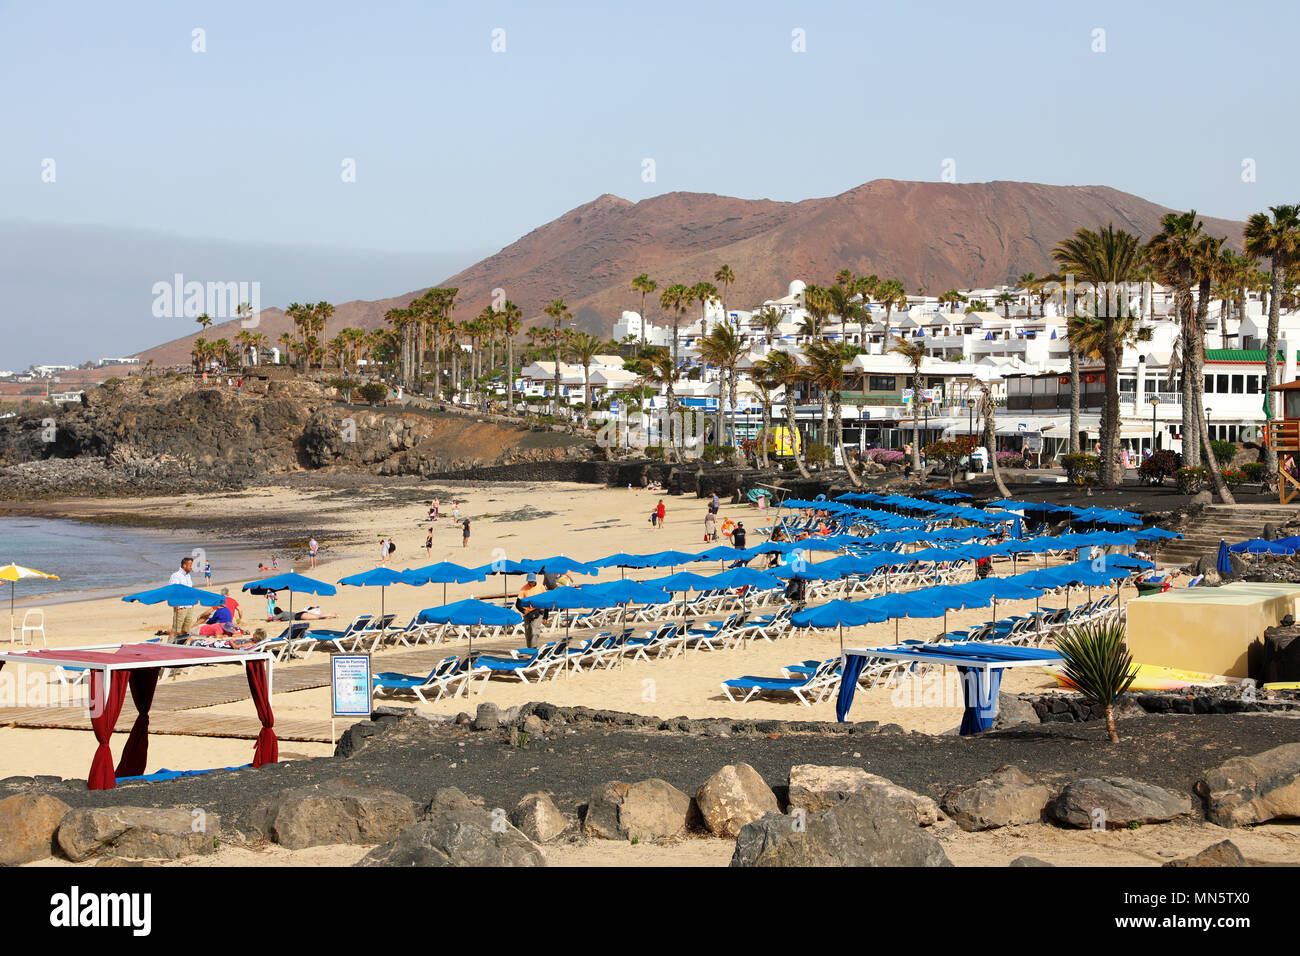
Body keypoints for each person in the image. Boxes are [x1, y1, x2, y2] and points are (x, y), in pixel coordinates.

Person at [168, 556, 196, 642]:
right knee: (176, 629)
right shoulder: (176, 576)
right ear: (184, 565)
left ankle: (181, 646)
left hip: (189, 606)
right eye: (190, 565)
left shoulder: (188, 576)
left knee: (186, 630)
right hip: (181, 606)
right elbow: (173, 591)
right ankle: (169, 646)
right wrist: (177, 606)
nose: (191, 567)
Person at [516, 573, 545, 648]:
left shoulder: (541, 587)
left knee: (534, 631)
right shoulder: (524, 588)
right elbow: (517, 604)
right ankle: (530, 649)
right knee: (528, 633)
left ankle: (534, 648)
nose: (530, 583)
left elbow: (546, 601)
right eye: (529, 581)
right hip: (528, 613)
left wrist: (546, 616)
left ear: (535, 581)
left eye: (532, 581)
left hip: (538, 611)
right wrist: (524, 611)